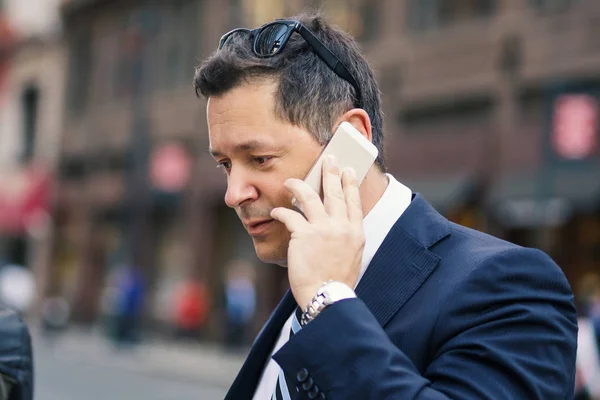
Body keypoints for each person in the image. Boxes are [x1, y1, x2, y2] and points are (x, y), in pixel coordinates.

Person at [194, 11, 578, 400]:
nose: (233, 193)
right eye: (225, 165)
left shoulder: (508, 286)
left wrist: (328, 305)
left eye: (259, 159)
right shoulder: (305, 280)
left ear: (351, 139)